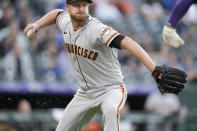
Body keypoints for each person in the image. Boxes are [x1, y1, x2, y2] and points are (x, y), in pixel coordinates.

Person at [24, 0, 186, 130]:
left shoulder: (96, 29)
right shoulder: (65, 22)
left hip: (111, 88)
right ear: (68, 7)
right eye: (76, 5)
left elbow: (127, 42)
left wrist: (154, 69)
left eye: (84, 5)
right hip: (85, 93)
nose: (81, 8)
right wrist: (37, 24)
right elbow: (56, 15)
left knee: (110, 110)